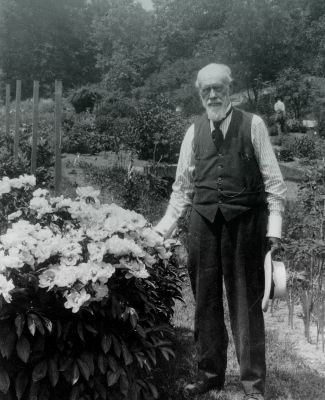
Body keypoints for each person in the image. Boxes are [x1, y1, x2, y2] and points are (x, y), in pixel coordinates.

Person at [154, 63, 286, 400]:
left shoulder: (253, 125)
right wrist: (161, 232)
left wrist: (274, 232)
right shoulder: (193, 131)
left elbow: (274, 183)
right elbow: (182, 188)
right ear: (199, 94)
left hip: (245, 224)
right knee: (206, 304)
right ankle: (210, 375)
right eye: (205, 90)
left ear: (231, 89)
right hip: (203, 226)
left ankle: (253, 383)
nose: (212, 95)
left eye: (219, 88)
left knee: (246, 304)